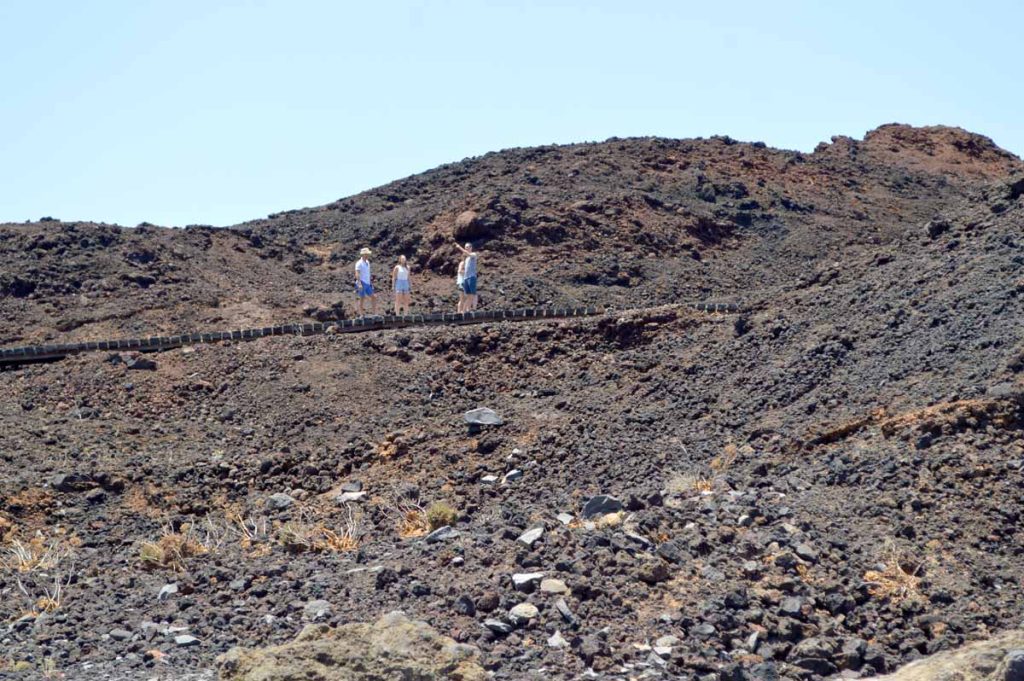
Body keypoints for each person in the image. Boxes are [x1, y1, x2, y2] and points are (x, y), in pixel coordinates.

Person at [454, 241, 479, 310]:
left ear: (471, 248)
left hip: (471, 277)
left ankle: (465, 311)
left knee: (471, 296)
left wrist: (459, 247)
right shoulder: (467, 259)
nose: (466, 249)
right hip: (466, 278)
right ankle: (463, 312)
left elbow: (468, 254)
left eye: (468, 247)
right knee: (468, 297)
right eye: (465, 248)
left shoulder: (473, 255)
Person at [353, 247, 378, 316]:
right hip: (362, 282)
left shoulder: (367, 262)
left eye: (367, 254)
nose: (367, 255)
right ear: (363, 255)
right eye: (366, 254)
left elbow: (368, 273)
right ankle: (361, 315)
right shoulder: (359, 263)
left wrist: (370, 283)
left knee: (374, 297)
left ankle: (375, 313)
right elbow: (357, 273)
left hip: (367, 283)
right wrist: (359, 283)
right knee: (362, 298)